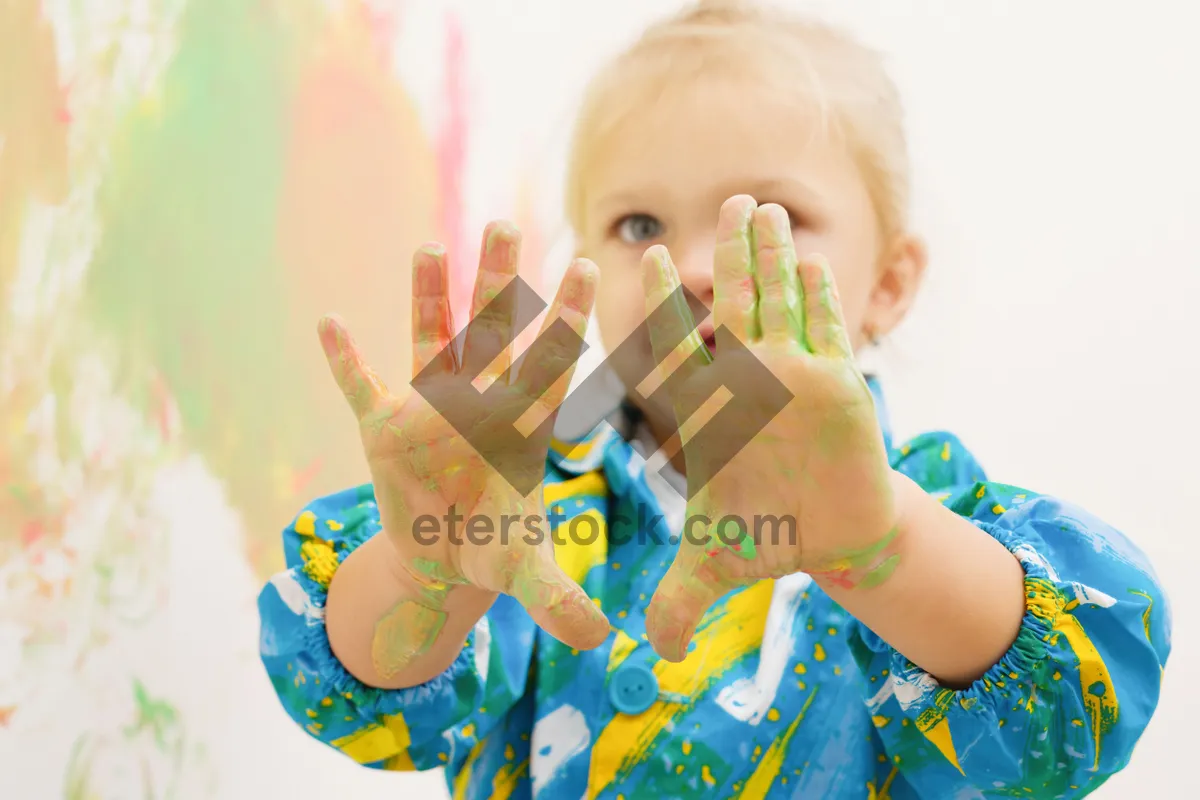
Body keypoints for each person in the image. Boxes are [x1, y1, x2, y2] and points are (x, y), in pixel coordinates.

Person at [256, 2, 1170, 797]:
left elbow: (1069, 730)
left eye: (762, 220)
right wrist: (428, 573)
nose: (689, 267)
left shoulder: (930, 510)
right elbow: (360, 705)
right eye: (639, 225)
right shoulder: (526, 497)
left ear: (888, 283)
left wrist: (884, 549)